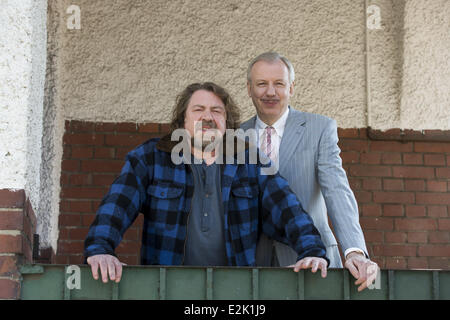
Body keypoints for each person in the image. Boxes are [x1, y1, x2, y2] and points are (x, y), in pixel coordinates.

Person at [84, 82, 329, 283]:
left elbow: (288, 210)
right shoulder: (151, 158)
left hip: (236, 292)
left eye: (216, 111)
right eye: (198, 110)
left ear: (227, 122)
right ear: (182, 121)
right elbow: (116, 206)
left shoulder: (251, 162)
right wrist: (101, 249)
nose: (207, 117)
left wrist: (313, 253)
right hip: (166, 287)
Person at [241, 52, 378, 291]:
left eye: (279, 84)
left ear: (291, 88)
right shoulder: (234, 136)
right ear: (249, 88)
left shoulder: (320, 128)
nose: (270, 92)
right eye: (262, 84)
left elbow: (336, 189)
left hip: (314, 259)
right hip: (253, 260)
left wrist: (354, 251)